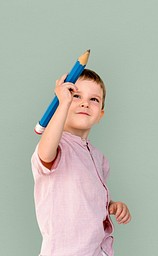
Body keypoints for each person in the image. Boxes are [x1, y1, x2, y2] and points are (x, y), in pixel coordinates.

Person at [31, 69, 131, 256]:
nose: (85, 103)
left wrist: (111, 205)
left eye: (94, 99)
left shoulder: (98, 158)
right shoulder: (57, 145)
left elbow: (88, 197)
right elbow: (45, 153)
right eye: (76, 96)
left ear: (100, 114)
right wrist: (63, 103)